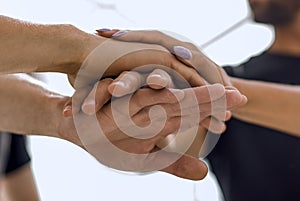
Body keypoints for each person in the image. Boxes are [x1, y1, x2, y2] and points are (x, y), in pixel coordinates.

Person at [96, 0, 300, 200]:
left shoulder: (215, 83)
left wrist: (208, 82)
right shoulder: (232, 77)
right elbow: (176, 144)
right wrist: (144, 104)